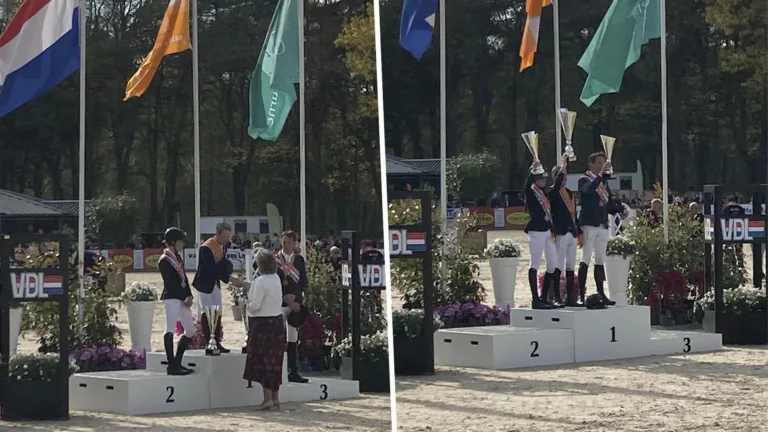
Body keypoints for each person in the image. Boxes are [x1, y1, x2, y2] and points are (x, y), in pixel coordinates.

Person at [578, 152, 626, 306]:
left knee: (600, 260)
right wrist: (601, 177)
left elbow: (608, 203)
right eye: (598, 163)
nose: (600, 166)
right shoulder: (584, 180)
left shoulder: (603, 183)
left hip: (602, 224)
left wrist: (619, 209)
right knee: (585, 258)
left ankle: (601, 293)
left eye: (602, 163)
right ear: (590, 164)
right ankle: (581, 294)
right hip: (589, 224)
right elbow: (589, 192)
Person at [243, 249, 285, 410]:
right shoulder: (276, 278)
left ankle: (267, 398)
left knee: (263, 361)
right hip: (277, 322)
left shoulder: (260, 281)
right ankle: (275, 397)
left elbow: (255, 306)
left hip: (262, 324)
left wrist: (246, 302)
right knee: (275, 361)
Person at [192, 223, 244, 353]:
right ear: (218, 234)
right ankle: (208, 341)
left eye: (229, 236)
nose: (228, 239)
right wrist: (230, 279)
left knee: (218, 311)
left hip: (215, 283)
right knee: (207, 311)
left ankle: (216, 341)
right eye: (225, 236)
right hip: (204, 283)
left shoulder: (224, 246)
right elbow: (212, 269)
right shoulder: (207, 248)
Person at [158, 227, 195, 376]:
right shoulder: (164, 261)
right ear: (173, 242)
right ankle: (171, 364)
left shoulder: (178, 258)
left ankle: (178, 361)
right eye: (180, 242)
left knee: (190, 329)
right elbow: (171, 283)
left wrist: (190, 295)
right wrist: (184, 297)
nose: (183, 245)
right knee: (170, 328)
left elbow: (184, 278)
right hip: (172, 297)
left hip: (182, 297)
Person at [275, 230, 309, 383]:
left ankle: (293, 371)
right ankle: (278, 370)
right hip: (280, 302)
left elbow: (303, 282)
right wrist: (285, 296)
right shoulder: (275, 260)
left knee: (293, 337)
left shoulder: (299, 260)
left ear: (295, 243)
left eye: (289, 242)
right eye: (284, 242)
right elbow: (273, 280)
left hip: (295, 303)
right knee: (279, 337)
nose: (286, 245)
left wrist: (295, 297)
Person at [524, 160, 556, 310]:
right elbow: (526, 186)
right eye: (540, 178)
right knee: (535, 264)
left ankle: (544, 296)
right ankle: (535, 299)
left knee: (552, 264)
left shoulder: (544, 192)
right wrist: (533, 170)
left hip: (547, 230)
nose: (543, 181)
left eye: (544, 178)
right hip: (536, 231)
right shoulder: (531, 192)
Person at [549, 154, 580, 307]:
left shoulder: (569, 193)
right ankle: (556, 296)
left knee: (570, 266)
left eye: (566, 176)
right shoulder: (553, 192)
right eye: (562, 176)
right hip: (561, 232)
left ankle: (570, 297)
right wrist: (563, 165)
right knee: (558, 265)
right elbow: (557, 184)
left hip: (571, 232)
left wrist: (578, 231)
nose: (565, 178)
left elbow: (574, 214)